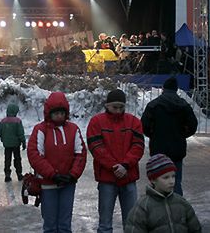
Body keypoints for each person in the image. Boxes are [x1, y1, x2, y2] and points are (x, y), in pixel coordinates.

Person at [27, 92, 87, 233]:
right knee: (50, 225)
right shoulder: (40, 130)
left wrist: (73, 175)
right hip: (48, 184)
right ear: (49, 113)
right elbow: (34, 154)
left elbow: (81, 153)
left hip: (68, 183)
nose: (59, 116)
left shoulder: (74, 129)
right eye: (56, 113)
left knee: (65, 224)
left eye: (62, 112)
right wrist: (52, 175)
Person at [86, 89, 144, 233]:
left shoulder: (134, 122)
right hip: (107, 178)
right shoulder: (96, 122)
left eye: (121, 107)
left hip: (128, 176)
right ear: (107, 105)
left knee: (131, 223)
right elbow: (96, 147)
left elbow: (138, 146)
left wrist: (125, 165)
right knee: (105, 224)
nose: (118, 111)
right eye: (115, 107)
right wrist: (114, 166)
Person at [141, 77, 198, 196]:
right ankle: (176, 210)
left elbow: (144, 125)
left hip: (158, 148)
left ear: (163, 89)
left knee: (157, 180)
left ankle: (158, 209)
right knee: (176, 182)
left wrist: (153, 135)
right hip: (177, 149)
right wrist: (182, 135)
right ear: (176, 89)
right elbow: (193, 125)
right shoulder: (184, 105)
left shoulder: (154, 105)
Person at [125, 154, 202, 233]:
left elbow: (195, 229)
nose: (171, 181)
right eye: (166, 177)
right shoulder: (142, 207)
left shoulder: (182, 203)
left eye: (173, 176)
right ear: (153, 180)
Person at [0, 103, 26, 182]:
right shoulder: (17, 121)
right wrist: (23, 142)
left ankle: (7, 175)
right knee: (17, 159)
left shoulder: (3, 121)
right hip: (16, 144)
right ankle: (19, 174)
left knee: (7, 159)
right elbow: (20, 133)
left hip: (7, 144)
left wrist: (3, 138)